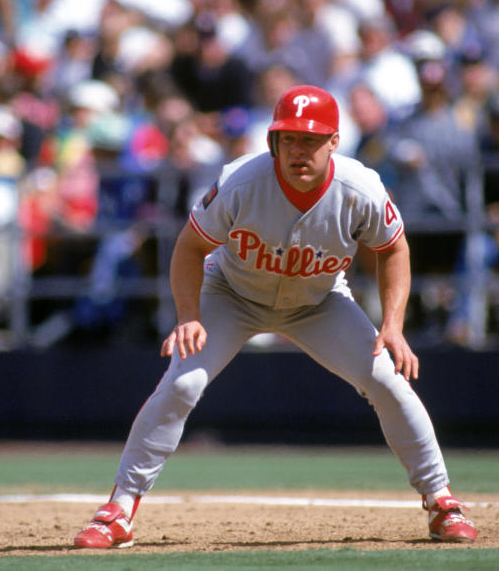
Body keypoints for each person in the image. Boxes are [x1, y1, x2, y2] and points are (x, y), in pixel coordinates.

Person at [72, 85, 477, 549]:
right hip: (231, 293)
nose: (298, 150)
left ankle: (442, 501)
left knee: (386, 380)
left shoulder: (360, 185)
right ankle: (118, 511)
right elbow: (189, 246)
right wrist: (188, 314)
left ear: (334, 142)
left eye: (310, 139)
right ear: (272, 142)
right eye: (288, 139)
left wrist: (393, 324)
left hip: (318, 301)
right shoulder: (242, 180)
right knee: (182, 383)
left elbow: (394, 248)